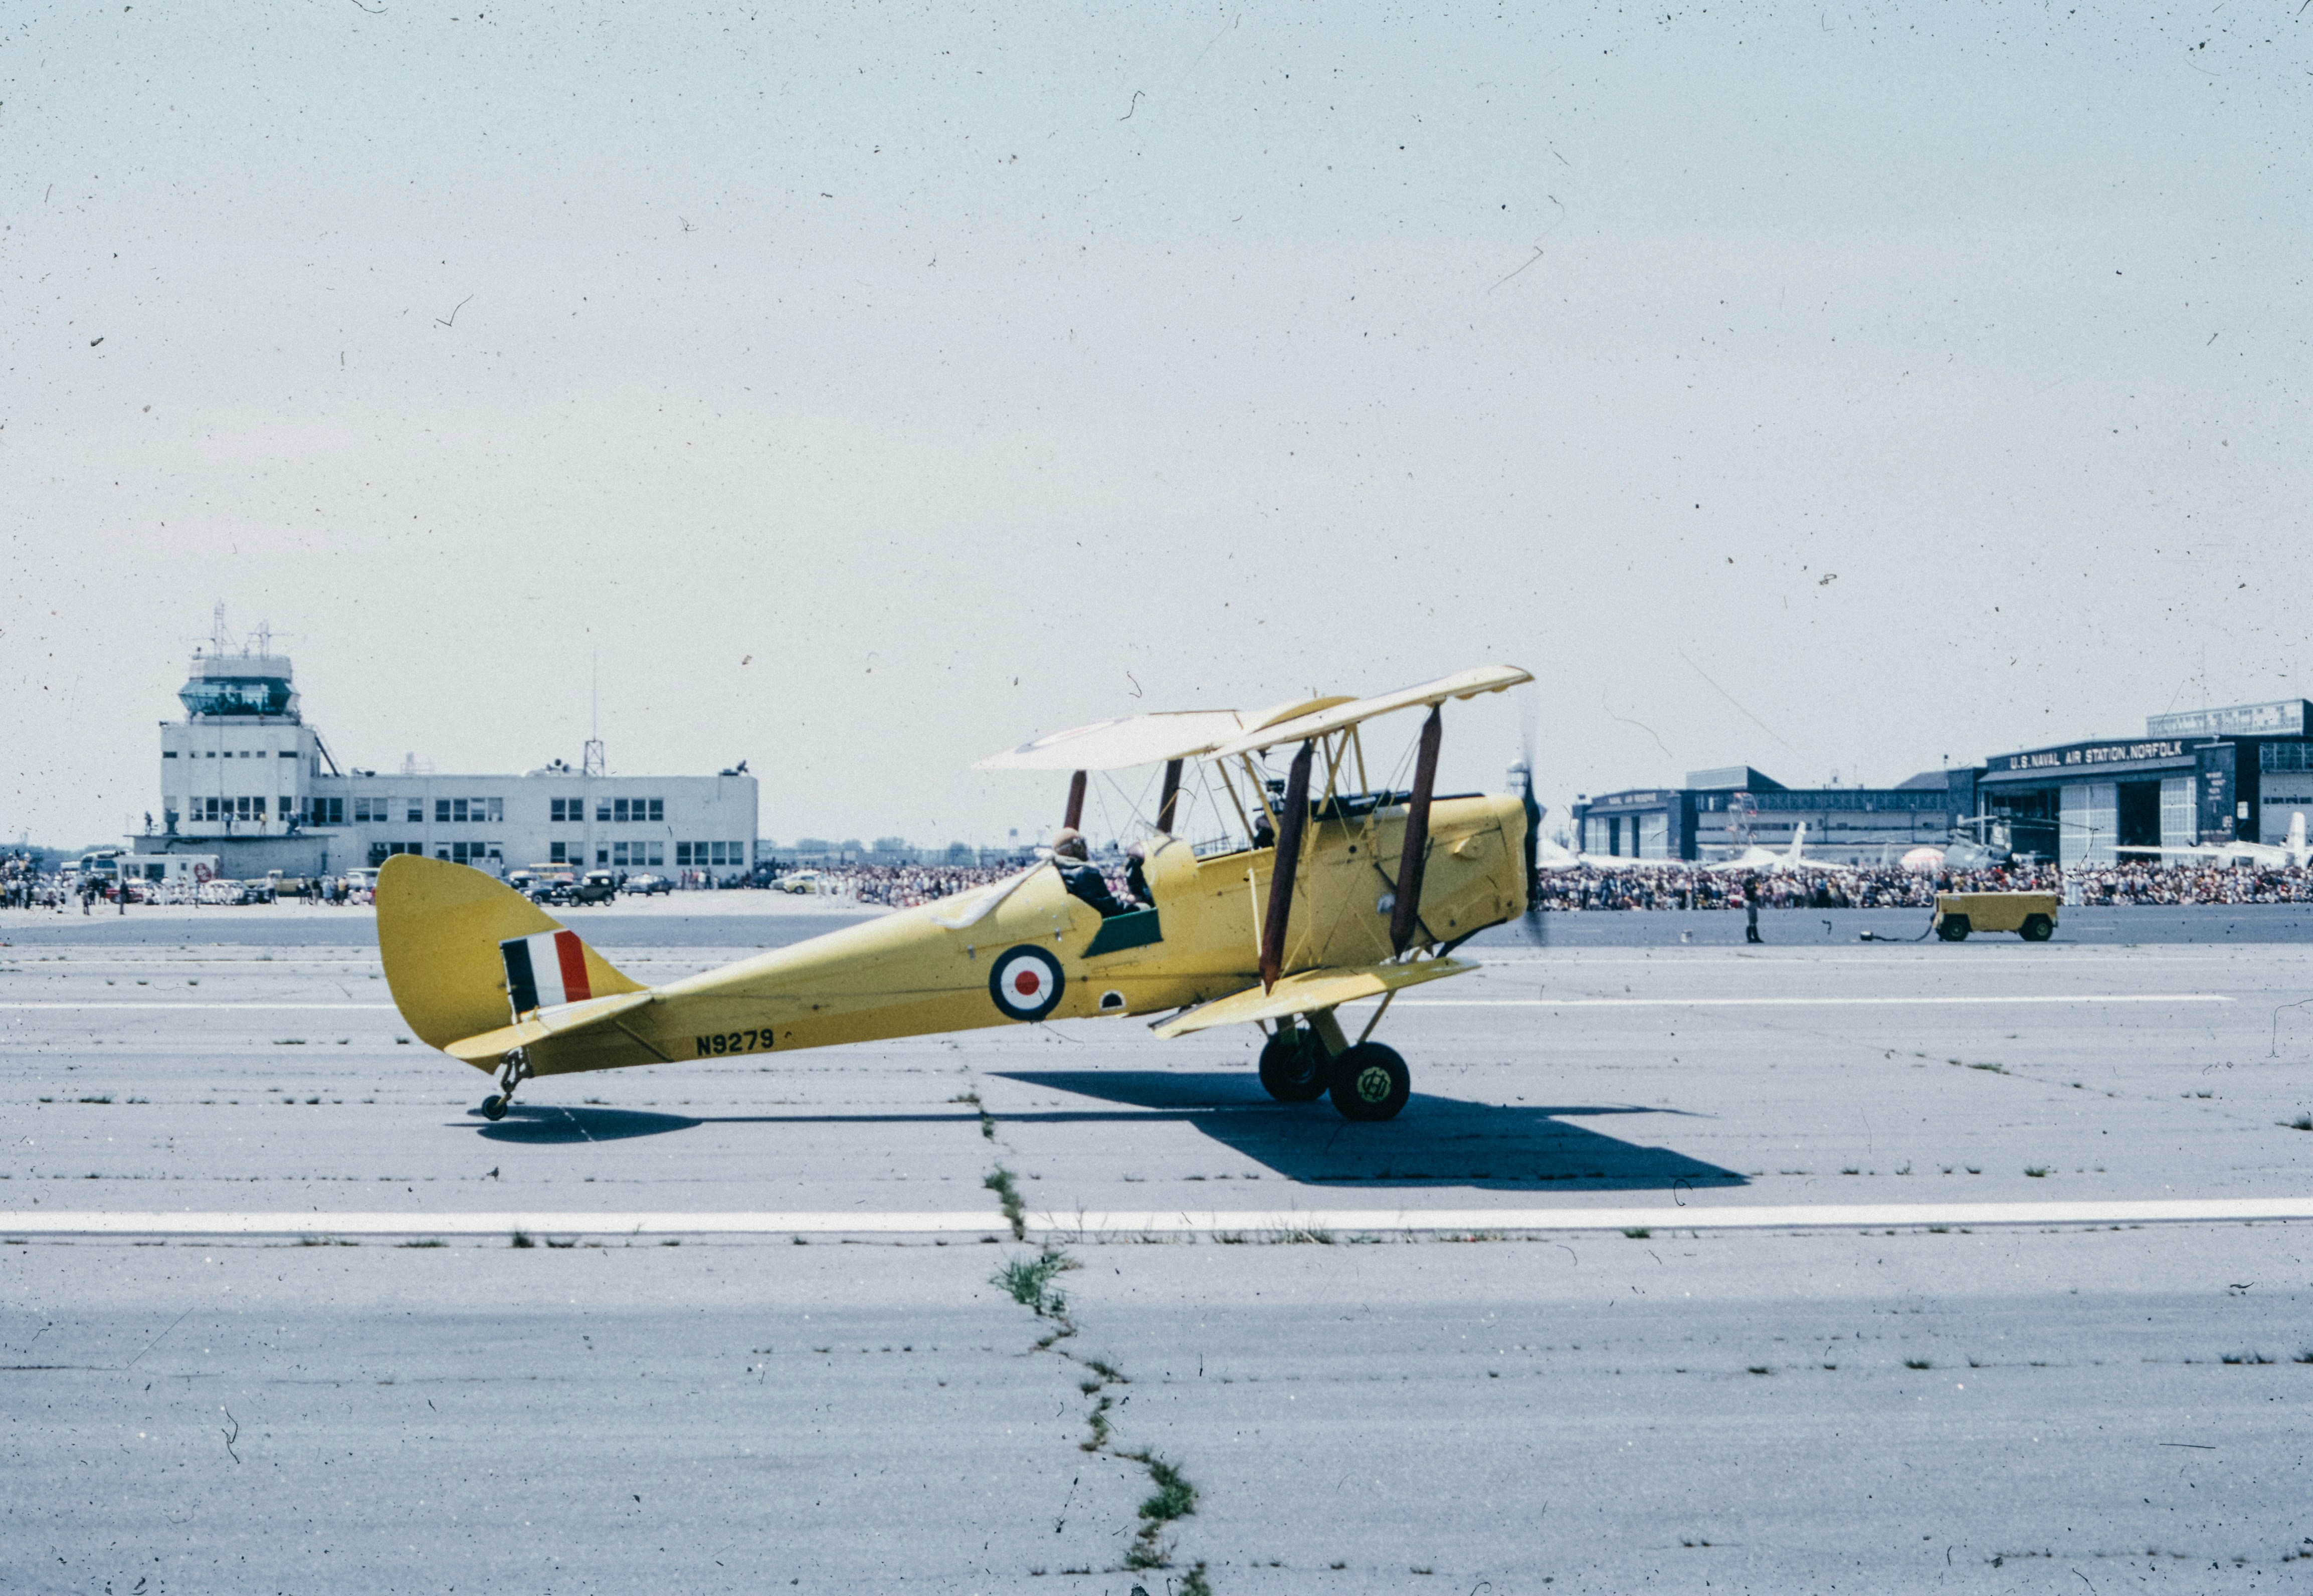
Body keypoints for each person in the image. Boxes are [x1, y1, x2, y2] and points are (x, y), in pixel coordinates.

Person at [1051, 828, 1133, 917]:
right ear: (1068, 850)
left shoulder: (1057, 876)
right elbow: (1111, 908)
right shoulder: (1085, 874)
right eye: (1082, 844)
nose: (1085, 848)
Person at [1743, 873, 1762, 943]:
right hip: (1750, 903)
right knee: (1751, 921)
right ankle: (1750, 938)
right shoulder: (1747, 887)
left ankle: (1756, 937)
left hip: (1753, 903)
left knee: (1754, 921)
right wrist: (1756, 882)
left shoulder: (1750, 886)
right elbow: (1753, 888)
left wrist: (1757, 882)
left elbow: (1757, 888)